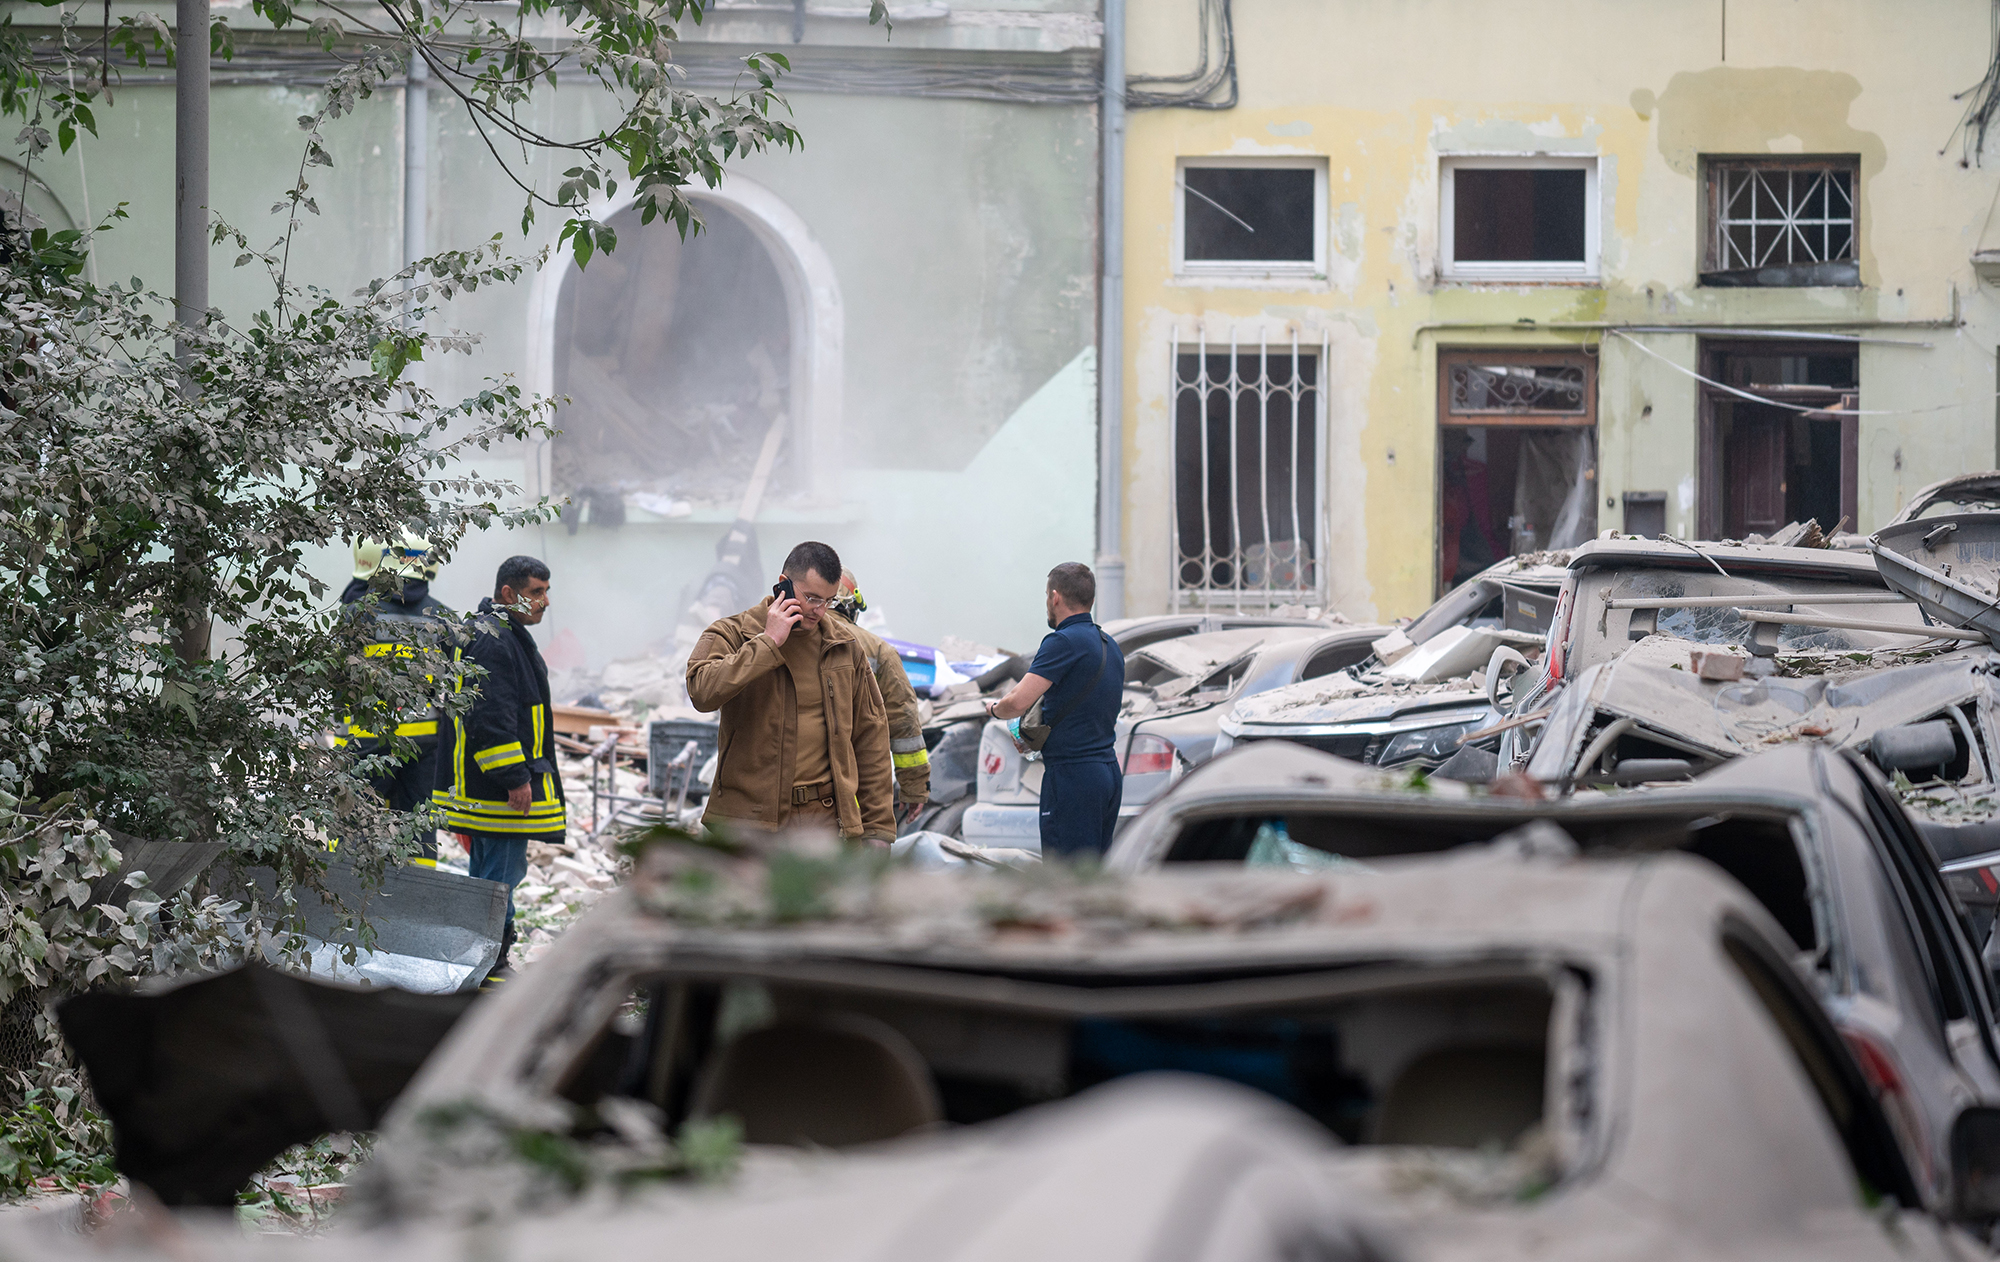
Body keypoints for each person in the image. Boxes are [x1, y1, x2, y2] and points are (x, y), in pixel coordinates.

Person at [686, 541, 896, 844]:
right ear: (782, 585)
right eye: (811, 598)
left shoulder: (843, 648)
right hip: (747, 823)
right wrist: (767, 642)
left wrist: (878, 830)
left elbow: (871, 737)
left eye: (828, 601)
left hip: (823, 822)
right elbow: (701, 692)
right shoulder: (732, 633)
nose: (818, 611)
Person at [432, 555, 566, 981]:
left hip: (480, 785)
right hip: (496, 790)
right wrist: (514, 777)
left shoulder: (496, 631)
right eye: (536, 593)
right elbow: (491, 718)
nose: (545, 602)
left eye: (546, 591)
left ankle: (481, 961)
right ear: (508, 594)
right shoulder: (496, 641)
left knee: (488, 873)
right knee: (500, 879)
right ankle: (492, 965)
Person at [986, 563, 1126, 857]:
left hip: (1073, 777)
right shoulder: (1109, 645)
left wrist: (995, 709)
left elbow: (1017, 700)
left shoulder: (1062, 641)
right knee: (1093, 875)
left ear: (1055, 597)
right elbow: (1086, 712)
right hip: (1108, 773)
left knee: (1065, 879)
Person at [338, 534, 456, 864]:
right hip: (424, 741)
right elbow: (452, 682)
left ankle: (347, 896)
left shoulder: (358, 613)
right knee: (419, 826)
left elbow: (336, 674)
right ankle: (419, 902)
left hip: (367, 738)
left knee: (356, 821)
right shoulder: (444, 618)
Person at [831, 569, 929, 823]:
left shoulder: (778, 639)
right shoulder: (877, 649)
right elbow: (904, 721)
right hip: (855, 795)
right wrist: (915, 786)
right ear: (851, 604)